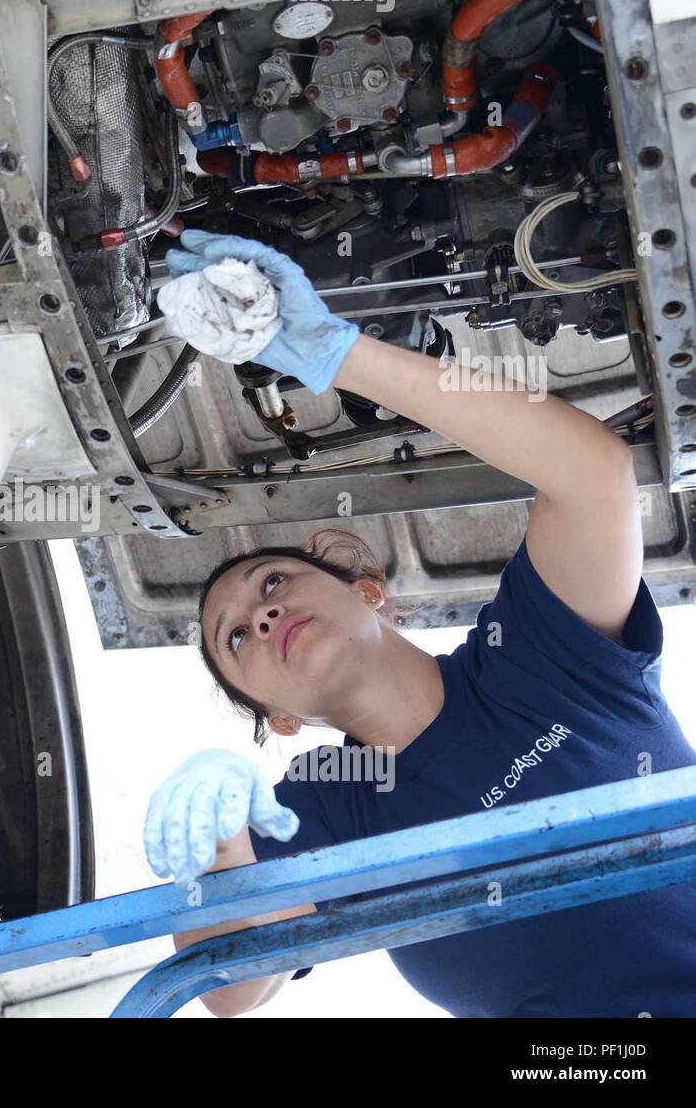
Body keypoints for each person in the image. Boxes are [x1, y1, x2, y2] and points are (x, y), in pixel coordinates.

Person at [144, 230, 696, 1017]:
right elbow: (230, 989)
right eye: (236, 639)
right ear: (282, 718)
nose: (261, 614)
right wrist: (222, 839)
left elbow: (594, 473)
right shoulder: (327, 807)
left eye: (273, 581)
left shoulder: (535, 659)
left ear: (370, 591)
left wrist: (338, 356)